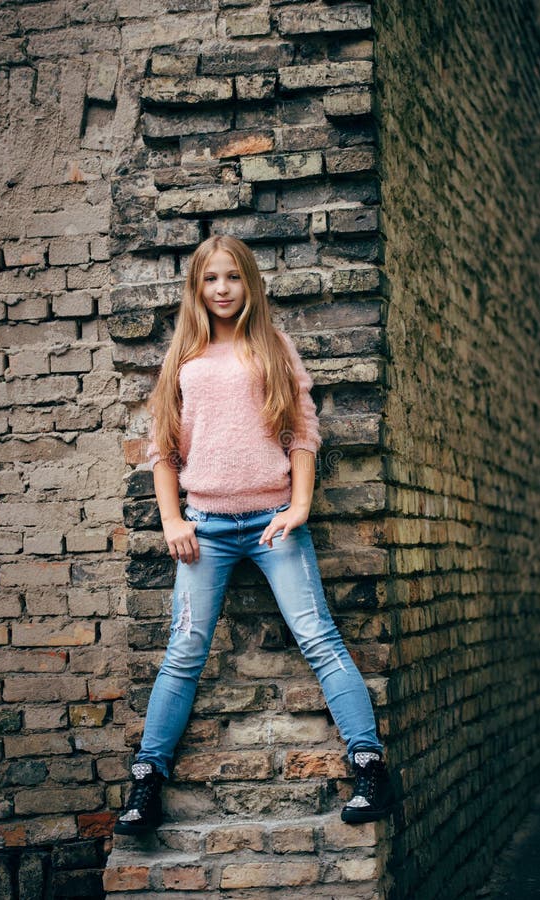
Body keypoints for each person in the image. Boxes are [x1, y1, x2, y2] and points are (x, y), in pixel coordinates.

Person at [114, 235, 394, 835]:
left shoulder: (273, 347)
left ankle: (370, 771)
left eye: (233, 278)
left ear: (250, 284)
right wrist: (172, 520)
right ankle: (144, 786)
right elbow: (162, 447)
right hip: (205, 531)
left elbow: (303, 432)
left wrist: (298, 506)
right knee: (184, 652)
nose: (222, 290)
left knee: (319, 637)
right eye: (211, 279)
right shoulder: (184, 357)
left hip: (273, 524)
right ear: (197, 288)